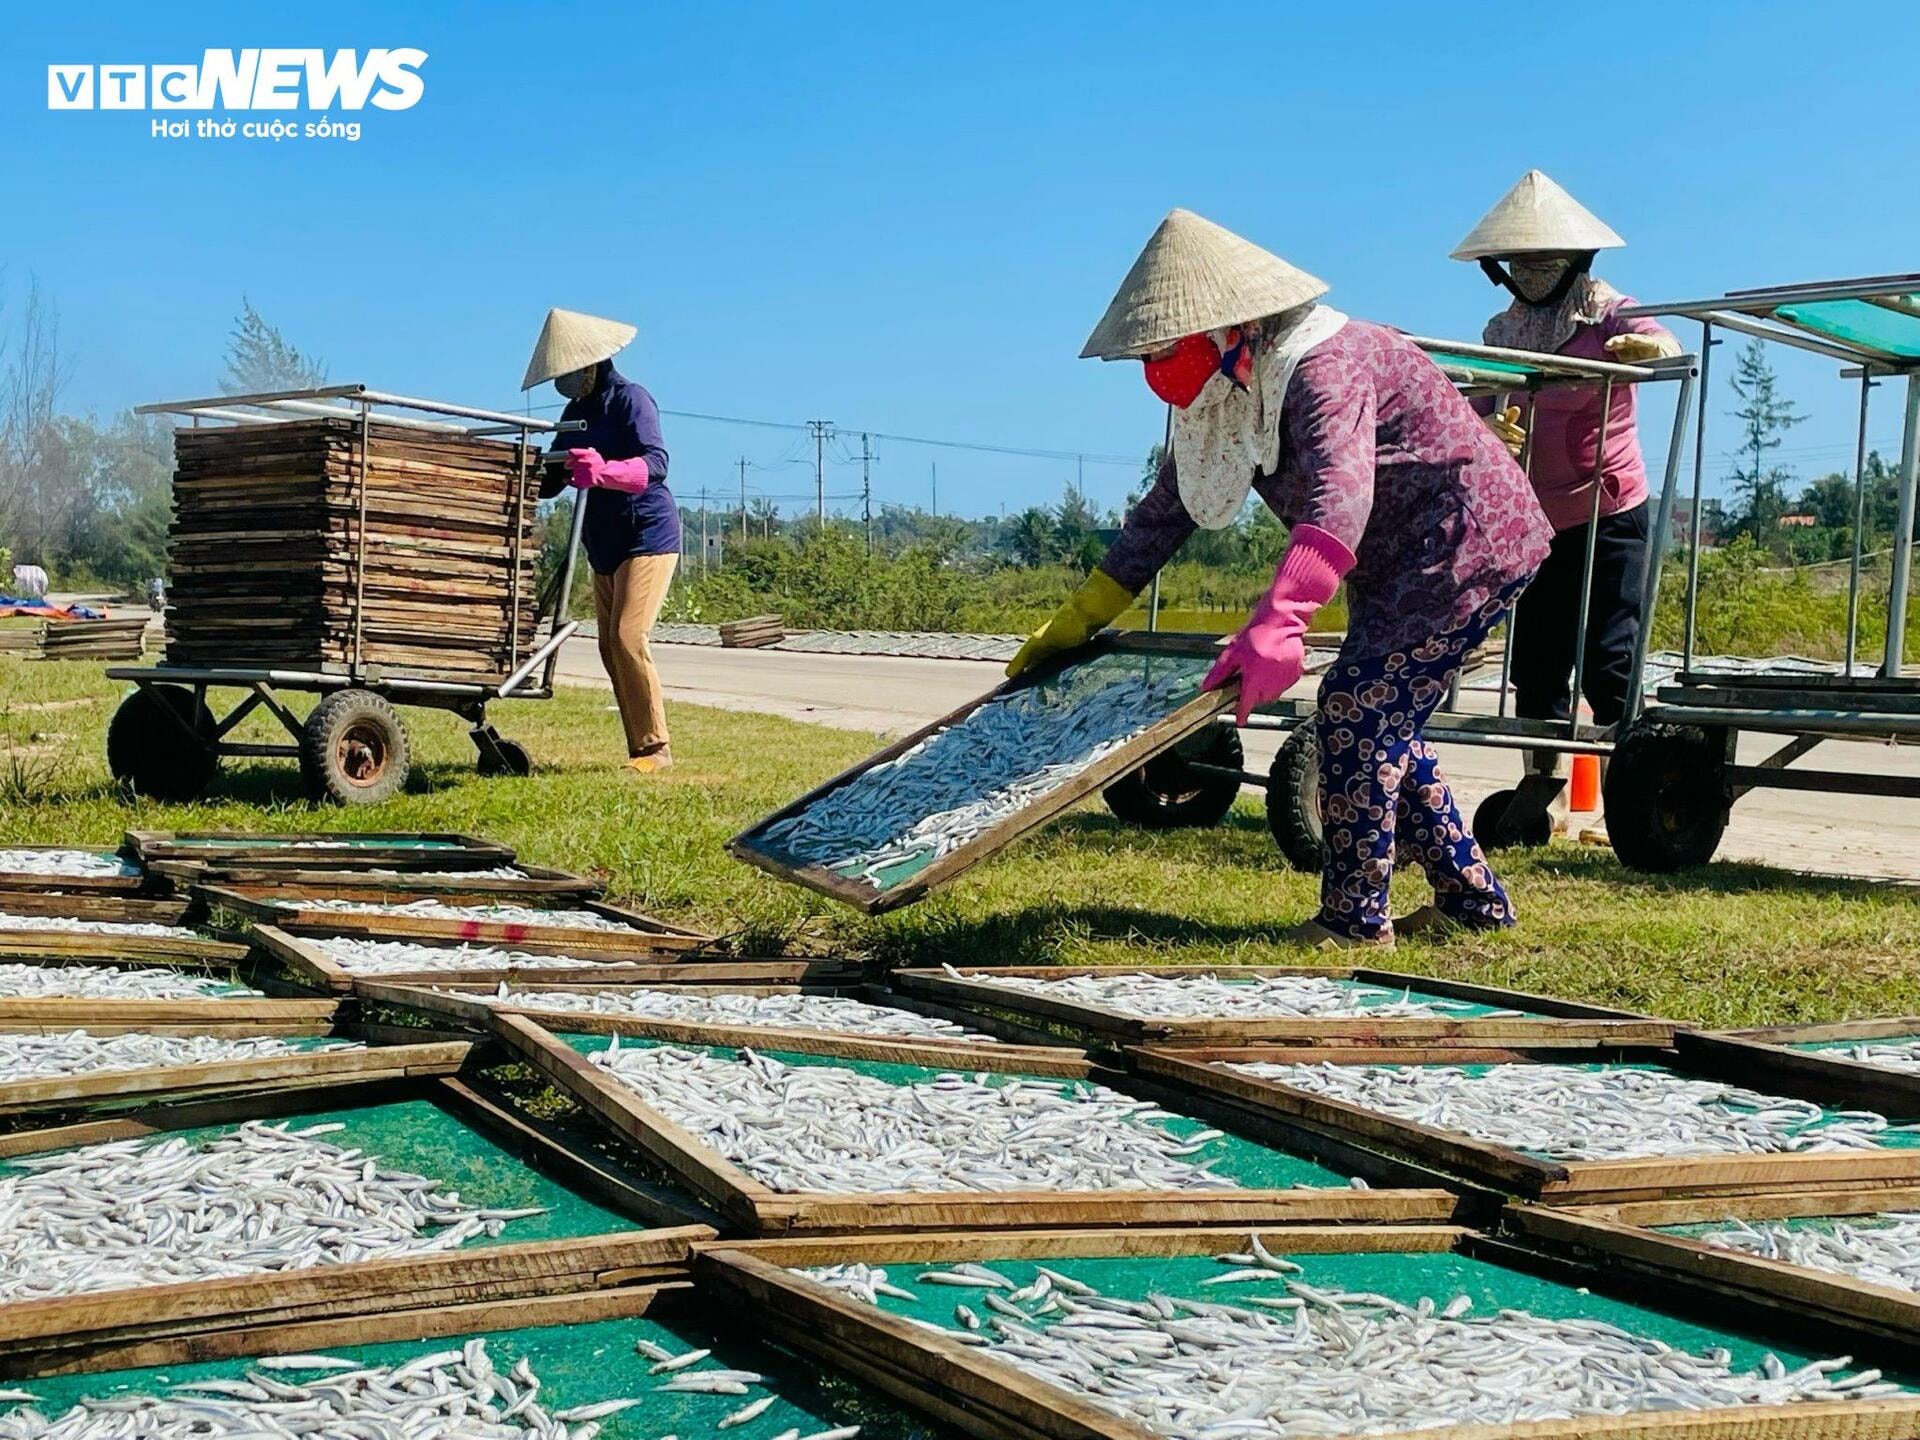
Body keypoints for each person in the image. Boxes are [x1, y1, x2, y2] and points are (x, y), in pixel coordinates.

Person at [1010, 210, 1552, 947]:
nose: (1157, 363)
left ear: (1229, 326)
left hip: (1465, 544)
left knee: (1358, 710)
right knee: (1379, 719)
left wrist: (1283, 615)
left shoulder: (1325, 362)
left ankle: (1355, 921)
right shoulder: (1231, 388)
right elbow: (1168, 509)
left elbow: (1341, 490)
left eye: (1168, 345)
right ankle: (1473, 906)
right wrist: (1082, 611)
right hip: (1397, 562)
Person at [1452, 171, 1681, 831]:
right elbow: (1474, 401)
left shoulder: (1610, 310)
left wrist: (1646, 351)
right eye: (1520, 262)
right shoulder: (1501, 330)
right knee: (1538, 663)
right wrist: (1486, 425)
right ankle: (1537, 785)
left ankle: (1631, 788)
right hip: (1535, 519)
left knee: (1610, 658)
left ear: (1576, 259)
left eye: (1544, 261)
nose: (1532, 273)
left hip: (1609, 509)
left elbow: (1666, 346)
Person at [522, 307, 679, 774]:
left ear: (591, 363)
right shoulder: (577, 411)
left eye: (570, 373)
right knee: (609, 645)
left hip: (647, 534)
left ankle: (657, 750)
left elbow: (657, 464)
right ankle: (639, 750)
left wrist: (606, 471)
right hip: (603, 540)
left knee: (630, 636)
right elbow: (551, 479)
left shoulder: (632, 400)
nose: (564, 382)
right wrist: (525, 470)